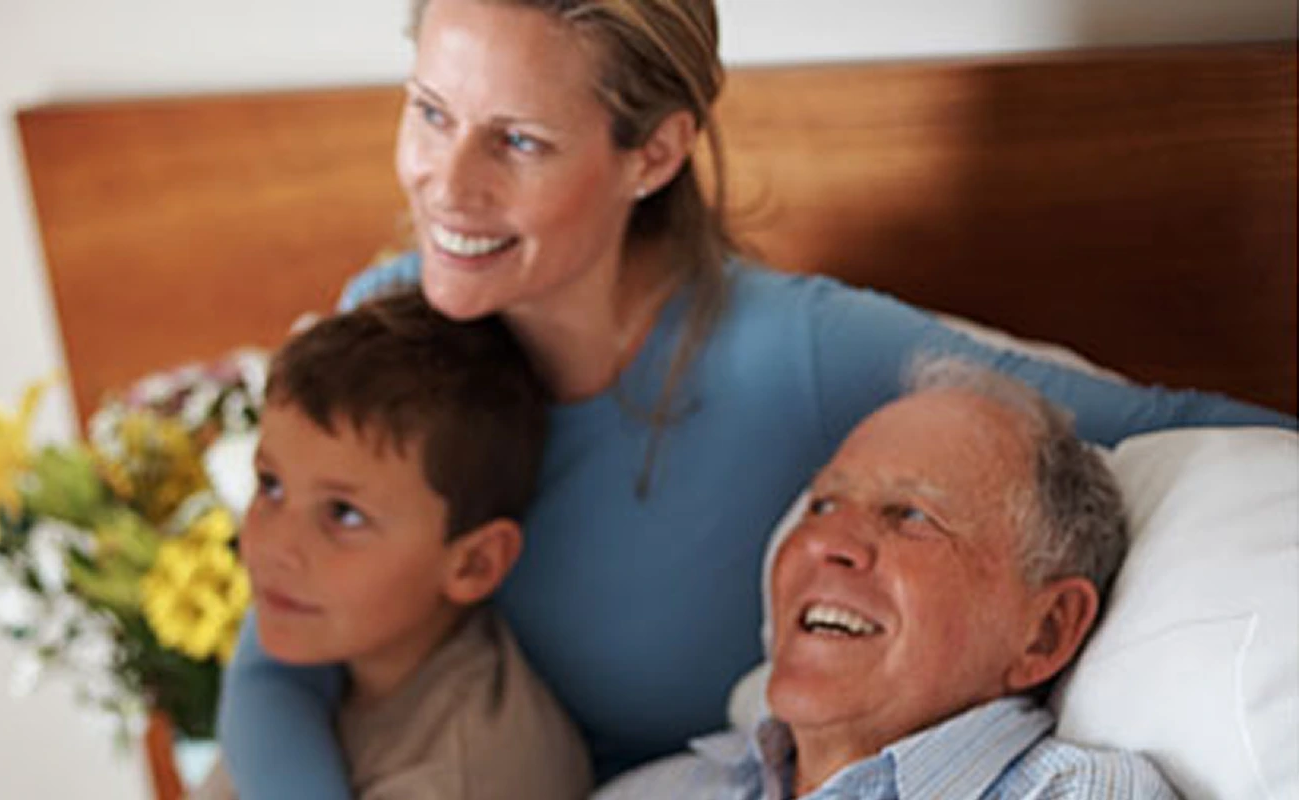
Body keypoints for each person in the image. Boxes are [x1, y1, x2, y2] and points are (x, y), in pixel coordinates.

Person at [216, 0, 1296, 796]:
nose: (447, 189)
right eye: (431, 112)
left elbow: (1161, 422)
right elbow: (278, 651)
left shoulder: (794, 351)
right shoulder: (392, 316)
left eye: (520, 141)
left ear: (655, 151)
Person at [596, 360, 1177, 798]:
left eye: (912, 517)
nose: (825, 541)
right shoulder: (659, 789)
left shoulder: (1079, 794)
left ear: (1046, 631)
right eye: (823, 505)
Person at [195, 291, 590, 799]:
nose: (274, 546)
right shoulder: (333, 652)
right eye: (270, 485)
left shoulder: (464, 777)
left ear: (474, 563)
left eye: (344, 514)